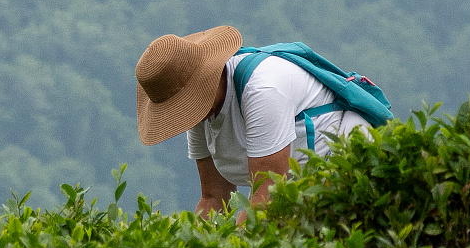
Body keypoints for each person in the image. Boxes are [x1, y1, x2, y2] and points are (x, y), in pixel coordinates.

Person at [134, 26, 381, 218]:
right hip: (295, 184)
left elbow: (268, 197)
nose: (183, 113)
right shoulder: (199, 113)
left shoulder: (263, 90)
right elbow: (215, 196)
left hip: (346, 166)